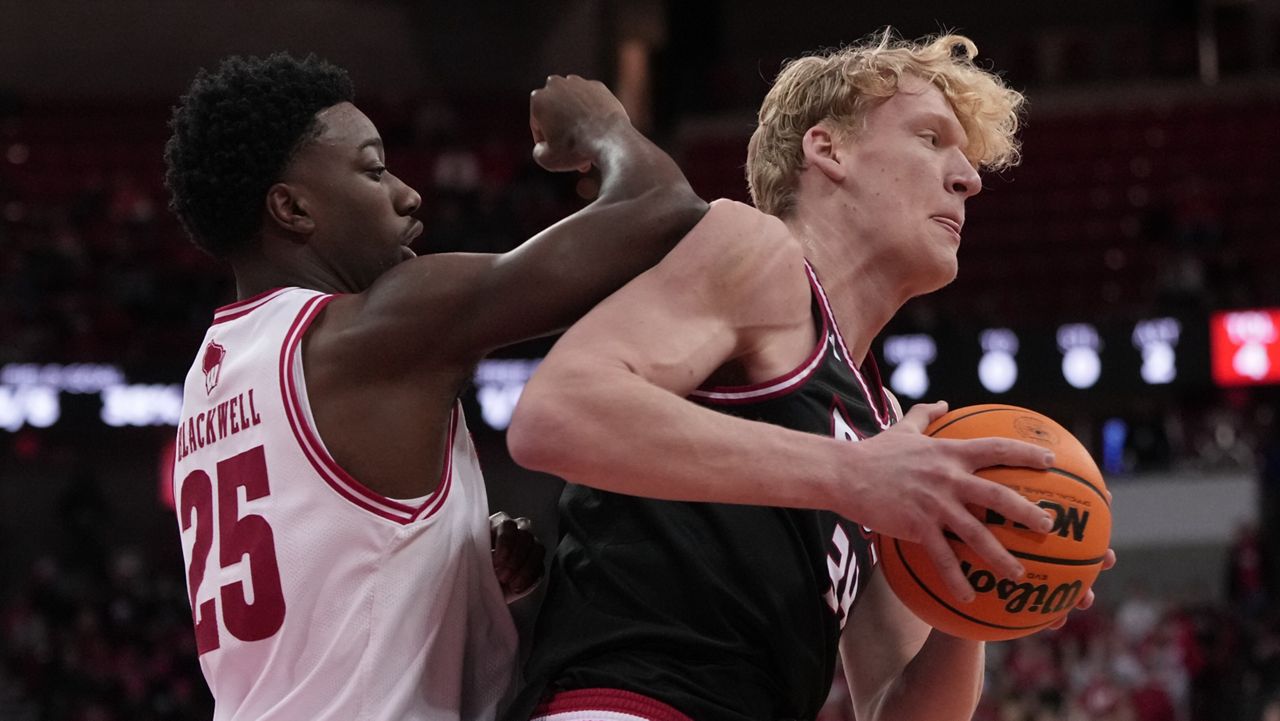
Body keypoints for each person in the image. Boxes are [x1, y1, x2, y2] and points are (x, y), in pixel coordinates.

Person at [506, 31, 1115, 721]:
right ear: (829, 149)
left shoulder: (884, 424)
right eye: (931, 138)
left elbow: (892, 710)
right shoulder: (758, 252)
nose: (967, 177)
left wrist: (975, 588)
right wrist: (856, 475)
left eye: (968, 160)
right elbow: (556, 413)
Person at [164, 53, 707, 721]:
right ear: (292, 207)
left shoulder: (212, 374)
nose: (406, 192)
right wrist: (603, 123)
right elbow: (663, 209)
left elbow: (331, 567)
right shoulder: (371, 333)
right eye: (372, 169)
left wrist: (461, 555)